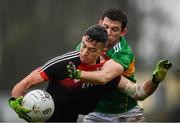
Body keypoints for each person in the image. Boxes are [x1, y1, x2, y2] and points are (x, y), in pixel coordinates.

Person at [8, 24, 172, 122]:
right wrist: (15, 103)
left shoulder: (107, 74)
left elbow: (139, 93)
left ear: (103, 50)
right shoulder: (64, 63)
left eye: (92, 49)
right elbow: (23, 85)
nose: (84, 52)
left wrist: (156, 79)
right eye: (84, 45)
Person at [74, 8, 164, 122]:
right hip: (95, 112)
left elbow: (105, 77)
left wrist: (78, 73)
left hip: (126, 114)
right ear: (99, 23)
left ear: (123, 32)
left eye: (114, 29)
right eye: (105, 27)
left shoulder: (124, 53)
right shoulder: (86, 45)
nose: (108, 32)